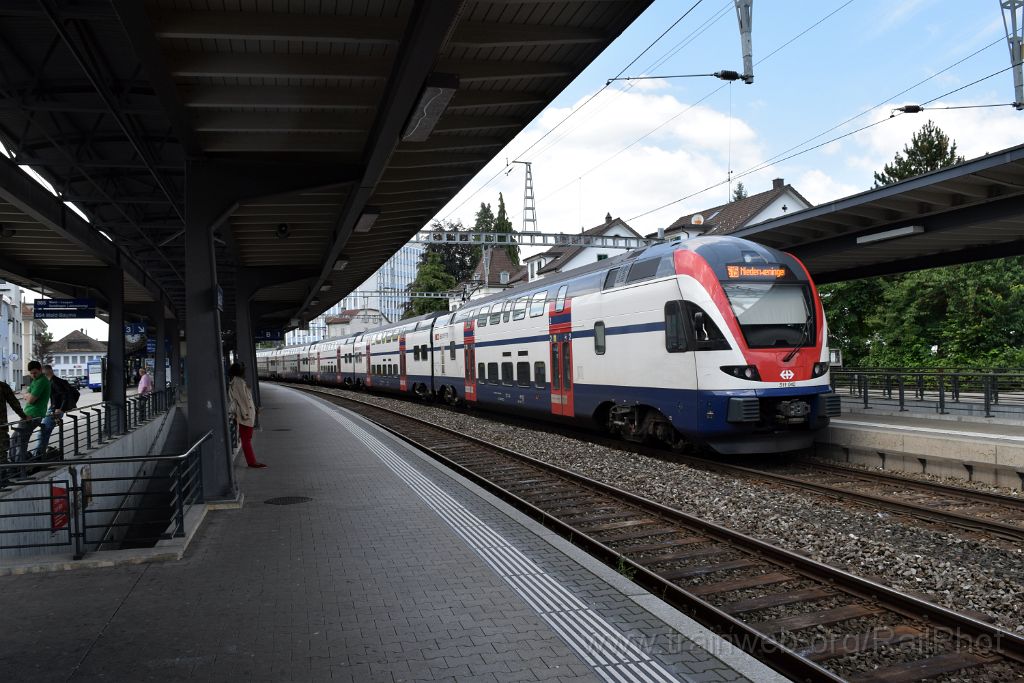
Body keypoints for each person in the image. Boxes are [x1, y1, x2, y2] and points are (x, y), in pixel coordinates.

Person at [227, 363, 266, 469]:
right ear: (240, 371)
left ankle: (252, 461)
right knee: (246, 439)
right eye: (243, 370)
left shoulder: (237, 382)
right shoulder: (239, 383)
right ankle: (252, 462)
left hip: (245, 415)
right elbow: (243, 400)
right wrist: (246, 415)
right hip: (245, 416)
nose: (245, 372)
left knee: (246, 439)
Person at [10, 361, 50, 463]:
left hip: (33, 416)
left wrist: (26, 395)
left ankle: (19, 466)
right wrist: (27, 394)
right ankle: (15, 463)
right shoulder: (35, 381)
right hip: (28, 415)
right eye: (31, 373)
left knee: (20, 441)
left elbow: (31, 399)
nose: (33, 375)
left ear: (40, 370)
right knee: (15, 438)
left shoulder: (41, 381)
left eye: (35, 373)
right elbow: (27, 394)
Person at [35, 365, 77, 458]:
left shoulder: (54, 382)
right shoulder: (57, 381)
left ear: (46, 373)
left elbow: (64, 395)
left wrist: (61, 409)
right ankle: (40, 455)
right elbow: (74, 393)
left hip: (55, 410)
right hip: (55, 409)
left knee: (43, 432)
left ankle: (37, 456)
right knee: (45, 432)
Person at [1, 380, 29, 465]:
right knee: (1, 454)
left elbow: (14, 403)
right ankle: (3, 476)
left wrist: (23, 416)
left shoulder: (3, 386)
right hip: (1, 428)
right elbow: (14, 403)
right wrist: (24, 416)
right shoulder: (2, 386)